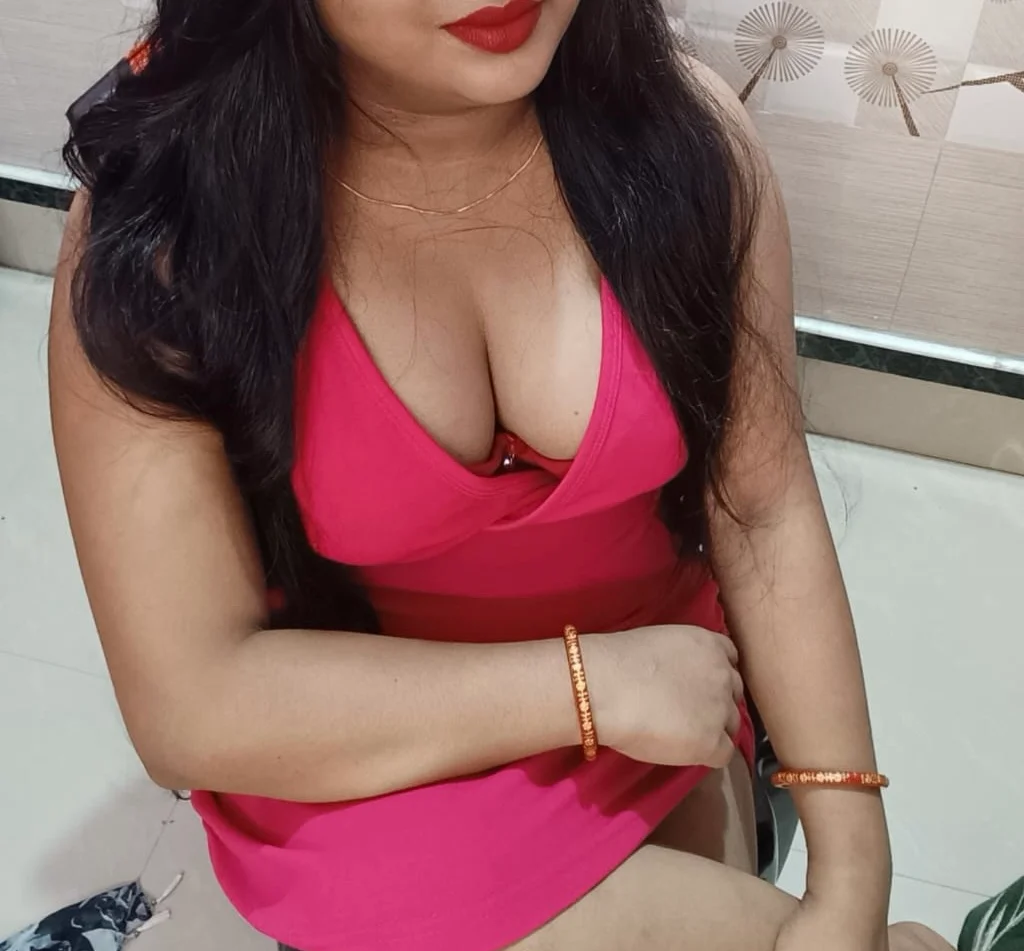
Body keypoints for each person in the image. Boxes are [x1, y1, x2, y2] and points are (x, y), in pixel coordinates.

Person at [47, 2, 973, 950]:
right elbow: (191, 705)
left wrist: (853, 872)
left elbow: (765, 510)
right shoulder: (169, 223)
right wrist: (587, 685)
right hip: (361, 743)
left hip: (667, 703)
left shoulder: (681, 141)